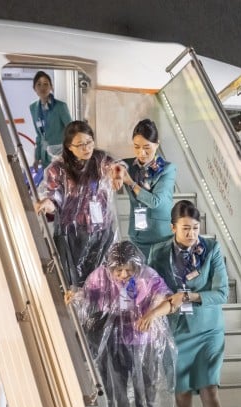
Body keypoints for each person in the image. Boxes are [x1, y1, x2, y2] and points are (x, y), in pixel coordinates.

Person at [73, 241, 176, 407]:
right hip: (112, 346)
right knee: (117, 401)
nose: (123, 275)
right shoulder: (100, 276)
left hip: (143, 344)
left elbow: (165, 298)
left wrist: (152, 313)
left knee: (146, 399)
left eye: (128, 270)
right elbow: (88, 297)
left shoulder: (147, 276)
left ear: (136, 266)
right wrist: (77, 295)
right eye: (118, 271)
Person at [143, 201, 229, 407]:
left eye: (195, 228)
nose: (191, 233)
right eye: (185, 229)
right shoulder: (158, 253)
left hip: (207, 330)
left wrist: (191, 296)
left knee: (209, 391)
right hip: (177, 330)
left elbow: (222, 293)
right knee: (181, 396)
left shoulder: (212, 250)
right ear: (173, 228)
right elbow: (152, 288)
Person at [37, 121, 122, 289]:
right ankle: (76, 313)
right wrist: (48, 202)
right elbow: (55, 197)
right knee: (74, 284)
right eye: (81, 145)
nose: (87, 148)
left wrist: (118, 174)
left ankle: (96, 314)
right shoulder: (58, 168)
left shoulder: (99, 159)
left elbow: (116, 167)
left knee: (101, 283)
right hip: (72, 235)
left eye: (89, 142)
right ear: (69, 146)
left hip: (101, 232)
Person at [119, 119, 177, 260]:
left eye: (147, 147)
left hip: (160, 235)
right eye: (137, 147)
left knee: (159, 280)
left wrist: (131, 183)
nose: (142, 153)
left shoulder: (167, 169)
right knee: (139, 278)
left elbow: (155, 201)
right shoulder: (127, 165)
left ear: (157, 144)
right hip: (138, 233)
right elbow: (110, 167)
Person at [28, 71, 72, 168]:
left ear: (51, 87)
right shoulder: (33, 108)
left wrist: (70, 155)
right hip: (45, 157)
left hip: (60, 156)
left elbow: (71, 131)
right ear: (34, 88)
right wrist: (36, 158)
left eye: (45, 84)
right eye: (39, 84)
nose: (42, 87)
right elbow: (39, 135)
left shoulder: (60, 107)